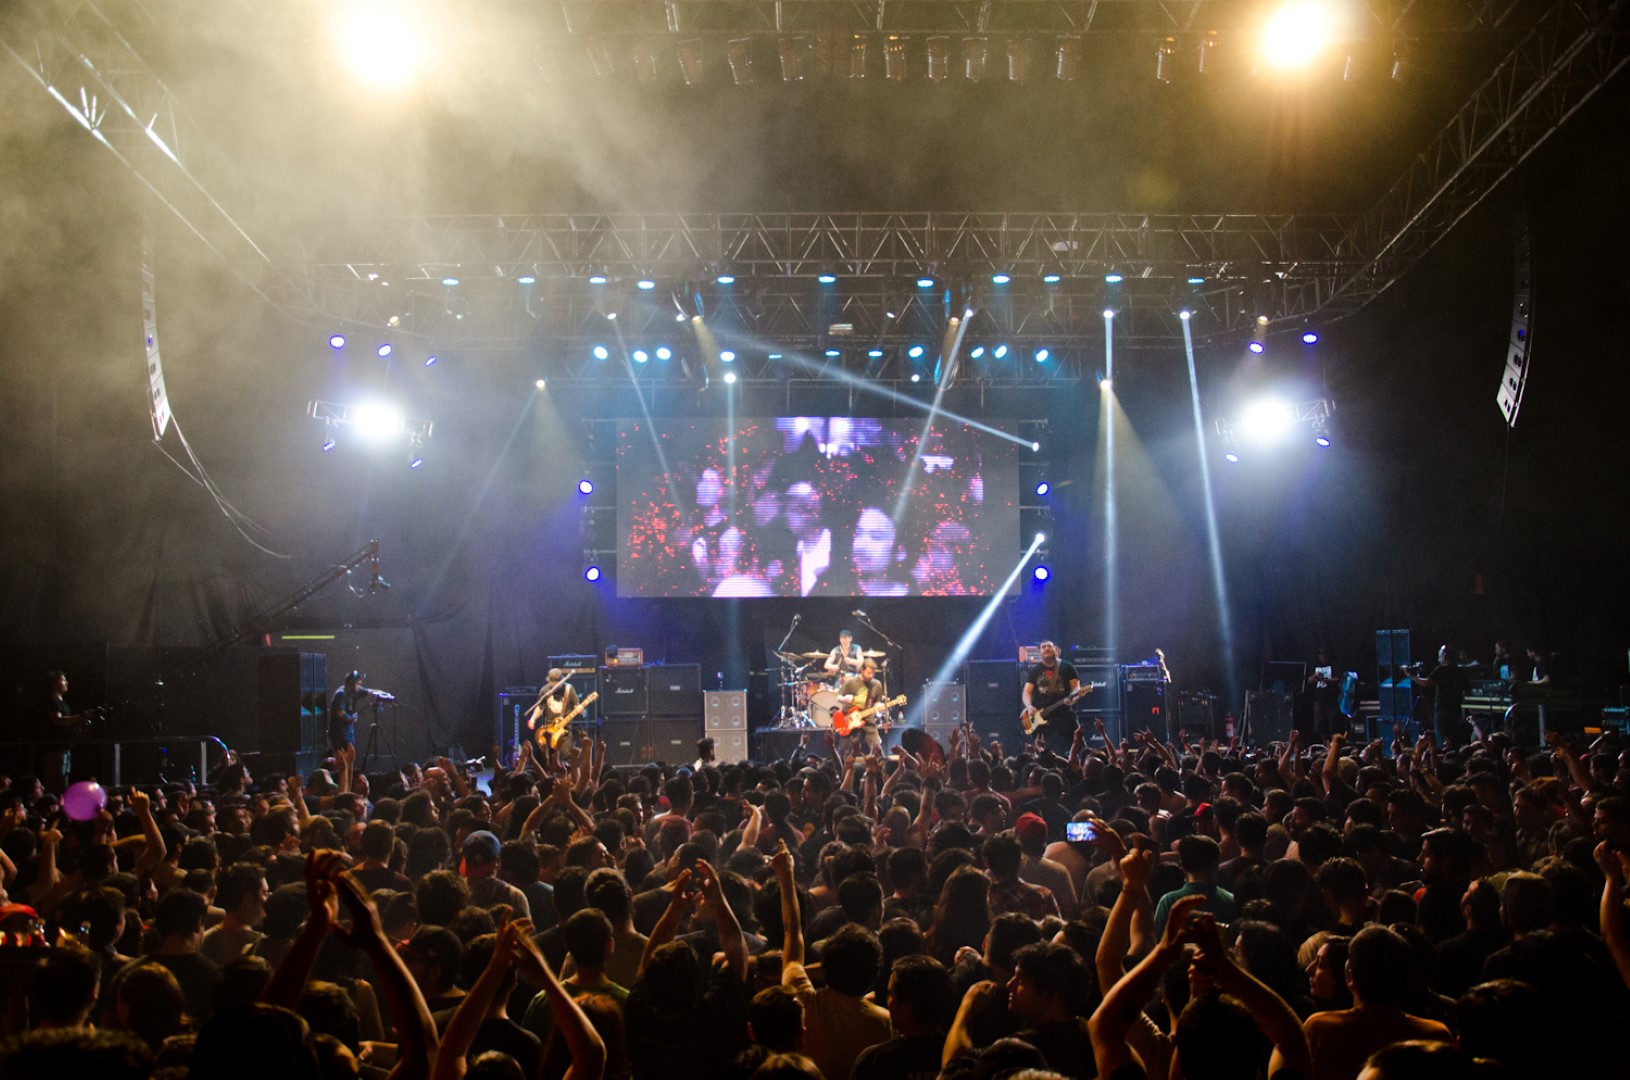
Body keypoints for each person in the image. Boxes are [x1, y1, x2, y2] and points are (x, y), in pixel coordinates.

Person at [1021, 642, 1081, 743]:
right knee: (1038, 747)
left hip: (1064, 713)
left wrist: (1073, 700)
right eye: (1043, 647)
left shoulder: (1067, 667)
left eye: (1049, 646)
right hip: (1041, 716)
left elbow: (1077, 689)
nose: (1046, 648)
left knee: (1078, 744)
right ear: (1040, 652)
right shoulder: (1035, 671)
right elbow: (1026, 692)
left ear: (1056, 650)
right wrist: (1029, 706)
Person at [838, 660, 890, 753]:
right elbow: (838, 697)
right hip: (850, 720)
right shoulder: (850, 682)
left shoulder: (876, 684)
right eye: (869, 673)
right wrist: (845, 699)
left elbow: (877, 703)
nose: (871, 676)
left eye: (873, 673)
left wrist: (879, 709)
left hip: (868, 721)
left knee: (877, 750)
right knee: (844, 751)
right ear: (861, 670)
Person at [526, 670, 581, 750]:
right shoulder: (544, 690)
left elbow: (576, 705)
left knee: (565, 754)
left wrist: (580, 709)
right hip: (549, 729)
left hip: (565, 729)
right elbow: (540, 707)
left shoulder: (569, 689)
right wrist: (533, 719)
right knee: (548, 754)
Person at [328, 671, 378, 753]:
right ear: (351, 684)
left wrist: (383, 694)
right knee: (343, 756)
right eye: (358, 684)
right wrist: (351, 718)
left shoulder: (354, 691)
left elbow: (368, 691)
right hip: (339, 732)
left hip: (347, 730)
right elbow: (340, 713)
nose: (359, 686)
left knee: (350, 754)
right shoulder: (341, 694)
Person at [1306, 652, 1340, 736]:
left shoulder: (1333, 664)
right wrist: (1315, 676)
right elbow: (1308, 681)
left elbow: (1338, 679)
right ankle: (1325, 743)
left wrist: (1326, 680)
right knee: (1320, 725)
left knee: (1333, 724)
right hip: (1319, 699)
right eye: (1321, 655)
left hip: (1332, 699)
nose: (1323, 657)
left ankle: (1334, 742)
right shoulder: (1315, 665)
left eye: (1324, 655)